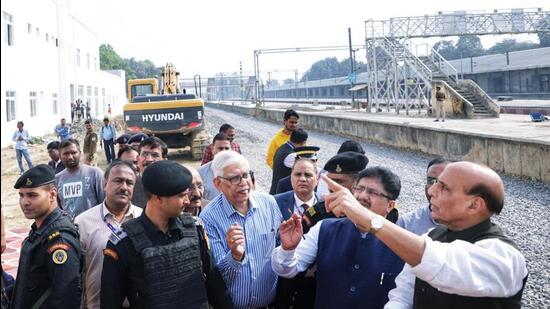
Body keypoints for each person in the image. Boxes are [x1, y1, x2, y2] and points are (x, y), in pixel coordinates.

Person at [321, 162, 528, 308]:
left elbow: (443, 265)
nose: (431, 191)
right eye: (434, 183)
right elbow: (403, 294)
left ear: (474, 205)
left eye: (444, 187)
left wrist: (368, 219)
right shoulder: (432, 235)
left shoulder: (504, 256)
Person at [100, 160, 233, 309]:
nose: (188, 201)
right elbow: (110, 302)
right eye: (182, 196)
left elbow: (216, 286)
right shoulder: (124, 242)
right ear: (158, 198)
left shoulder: (195, 228)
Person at [273, 167, 404, 309]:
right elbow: (286, 270)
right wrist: (288, 249)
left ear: (390, 205)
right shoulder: (324, 228)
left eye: (372, 192)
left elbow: (404, 298)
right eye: (359, 189)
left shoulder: (401, 242)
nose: (362, 196)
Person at [199, 151, 282, 309]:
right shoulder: (209, 218)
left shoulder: (269, 204)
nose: (243, 182)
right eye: (234, 178)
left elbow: (280, 253)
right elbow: (217, 278)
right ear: (218, 183)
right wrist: (235, 256)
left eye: (246, 175)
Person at [9, 165, 82, 308]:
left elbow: (65, 299)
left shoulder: (59, 240)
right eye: (21, 195)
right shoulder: (40, 229)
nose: (25, 202)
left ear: (52, 195)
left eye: (32, 195)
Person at [75, 161, 143, 309]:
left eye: (129, 183)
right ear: (105, 184)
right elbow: (77, 274)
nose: (124, 187)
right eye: (118, 181)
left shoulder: (144, 218)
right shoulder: (83, 222)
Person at [273, 157, 320, 309]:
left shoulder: (326, 208)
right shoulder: (274, 203)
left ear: (317, 179)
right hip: (280, 280)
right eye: (297, 174)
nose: (302, 179)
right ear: (291, 178)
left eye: (308, 175)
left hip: (313, 283)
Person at [302, 151, 368, 231]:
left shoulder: (369, 212)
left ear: (357, 182)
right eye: (329, 181)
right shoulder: (319, 210)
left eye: (338, 181)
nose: (330, 187)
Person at [397, 158, 451, 235]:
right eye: (430, 181)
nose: (433, 189)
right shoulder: (406, 224)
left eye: (443, 183)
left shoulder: (471, 228)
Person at [55, 138, 105, 219]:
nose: (70, 157)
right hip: (70, 229)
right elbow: (58, 208)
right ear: (60, 156)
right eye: (66, 154)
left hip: (93, 226)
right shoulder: (57, 179)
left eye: (74, 152)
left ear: (80, 153)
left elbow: (104, 202)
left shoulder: (95, 173)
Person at [131, 137, 168, 208]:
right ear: (138, 159)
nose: (149, 159)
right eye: (145, 154)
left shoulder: (172, 186)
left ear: (164, 161)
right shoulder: (130, 186)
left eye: (155, 155)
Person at [270, 128, 308, 195]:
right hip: (282, 194)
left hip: (277, 191)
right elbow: (307, 169)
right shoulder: (291, 155)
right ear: (303, 142)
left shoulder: (283, 147)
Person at [198, 133, 231, 201]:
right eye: (220, 148)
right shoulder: (202, 172)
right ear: (212, 149)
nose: (224, 151)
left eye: (227, 148)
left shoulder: (239, 172)